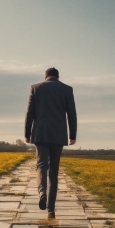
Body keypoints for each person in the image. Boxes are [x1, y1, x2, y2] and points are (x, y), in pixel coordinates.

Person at [24, 67, 77, 218]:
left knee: (41, 165)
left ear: (45, 76)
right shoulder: (67, 89)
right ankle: (51, 209)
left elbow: (30, 112)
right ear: (58, 77)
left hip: (40, 133)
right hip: (59, 134)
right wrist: (72, 135)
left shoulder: (36, 88)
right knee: (54, 170)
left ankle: (42, 192)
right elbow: (72, 113)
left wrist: (27, 133)